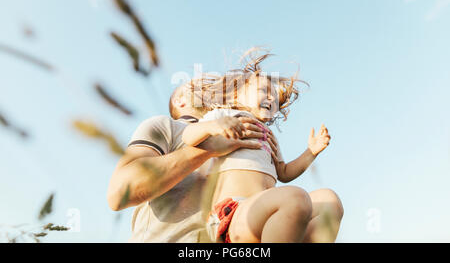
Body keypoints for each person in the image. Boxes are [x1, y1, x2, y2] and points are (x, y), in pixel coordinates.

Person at [181, 53, 344, 243]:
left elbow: (284, 172)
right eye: (264, 90)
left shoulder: (268, 135)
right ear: (236, 94)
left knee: (329, 201)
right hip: (233, 214)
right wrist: (213, 126)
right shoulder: (225, 115)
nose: (271, 98)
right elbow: (188, 136)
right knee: (295, 198)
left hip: (267, 217)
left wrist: (311, 152)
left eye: (274, 96)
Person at [106, 83, 265, 242]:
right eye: (201, 85)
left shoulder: (242, 133)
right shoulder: (167, 125)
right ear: (179, 100)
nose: (212, 87)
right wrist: (207, 149)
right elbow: (119, 193)